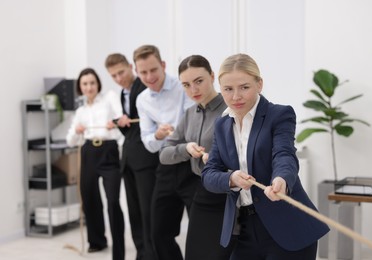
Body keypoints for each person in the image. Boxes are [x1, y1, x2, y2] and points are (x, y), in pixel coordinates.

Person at [201, 54, 330, 260]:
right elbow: (209, 174)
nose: (236, 97)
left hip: (286, 227)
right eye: (228, 89)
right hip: (242, 230)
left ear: (259, 84)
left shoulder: (279, 115)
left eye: (244, 87)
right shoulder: (221, 125)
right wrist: (231, 179)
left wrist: (281, 180)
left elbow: (284, 154)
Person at [159, 55, 235, 260]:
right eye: (186, 84)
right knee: (195, 252)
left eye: (199, 81)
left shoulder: (231, 109)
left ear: (212, 76)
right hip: (201, 191)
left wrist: (218, 162)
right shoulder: (189, 113)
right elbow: (164, 154)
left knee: (220, 254)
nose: (194, 90)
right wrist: (186, 149)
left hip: (228, 194)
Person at [134, 45, 199, 260]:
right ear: (137, 72)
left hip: (192, 165)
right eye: (143, 72)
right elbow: (148, 142)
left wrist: (169, 133)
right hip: (166, 165)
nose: (149, 76)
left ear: (163, 65)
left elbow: (192, 127)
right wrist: (159, 136)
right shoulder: (142, 100)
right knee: (159, 233)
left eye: (153, 70)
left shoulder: (183, 87)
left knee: (200, 230)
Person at [66, 68, 125, 260]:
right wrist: (76, 130)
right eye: (85, 84)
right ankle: (97, 241)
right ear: (80, 87)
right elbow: (70, 141)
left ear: (98, 83)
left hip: (108, 151)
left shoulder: (109, 99)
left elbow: (121, 121)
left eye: (92, 83)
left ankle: (119, 247)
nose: (89, 87)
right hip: (88, 152)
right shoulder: (80, 112)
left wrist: (115, 123)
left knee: (113, 201)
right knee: (90, 199)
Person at [105, 53, 159, 260]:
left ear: (130, 67)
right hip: (128, 161)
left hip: (146, 160)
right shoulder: (122, 94)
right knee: (134, 213)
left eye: (121, 72)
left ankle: (152, 254)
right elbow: (132, 131)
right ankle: (141, 253)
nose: (119, 78)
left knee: (147, 212)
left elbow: (149, 124)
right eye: (113, 76)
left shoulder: (144, 88)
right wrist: (120, 122)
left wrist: (125, 121)